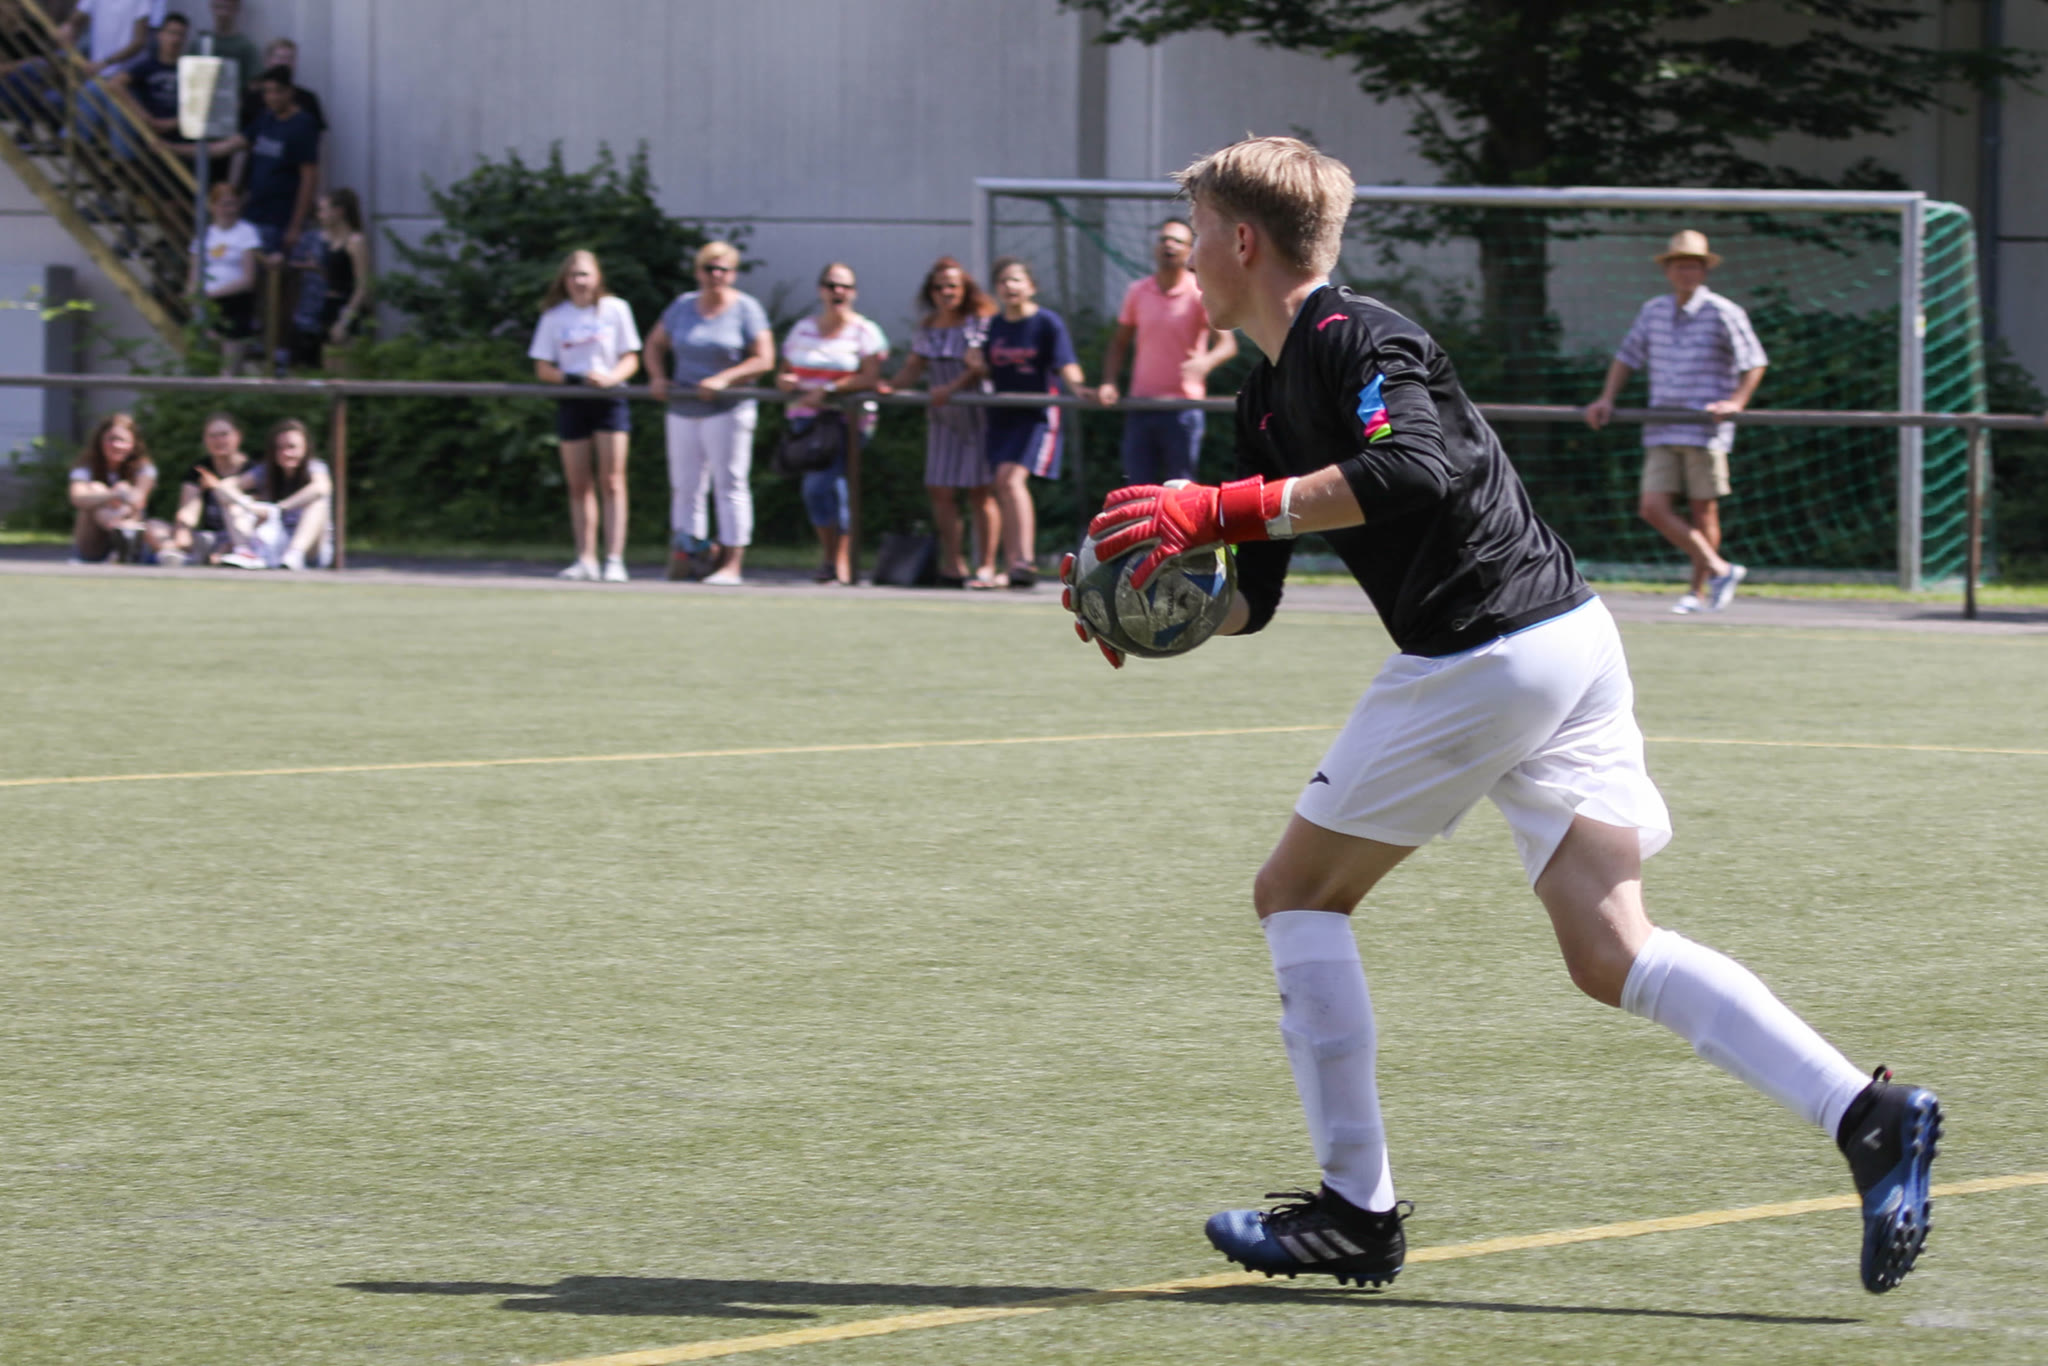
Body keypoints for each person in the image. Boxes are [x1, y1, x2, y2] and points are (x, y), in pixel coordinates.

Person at [1060, 136, 1940, 1298]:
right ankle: (1865, 1114)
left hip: (1490, 649)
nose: (1178, 253)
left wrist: (1211, 509)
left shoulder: (1358, 335)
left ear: (1239, 240)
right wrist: (1148, 607)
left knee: (1295, 893)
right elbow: (1254, 599)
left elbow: (1412, 467)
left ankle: (1354, 1213)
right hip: (1561, 643)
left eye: (1193, 229)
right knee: (1610, 949)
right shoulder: (1263, 394)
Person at [1585, 230, 1767, 614]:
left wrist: (1736, 402)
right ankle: (1721, 570)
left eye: (1694, 266)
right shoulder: (1653, 311)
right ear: (1668, 270)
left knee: (1704, 511)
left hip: (1705, 427)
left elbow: (1754, 361)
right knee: (1652, 507)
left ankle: (1697, 592)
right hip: (1661, 424)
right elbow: (1627, 356)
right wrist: (1606, 398)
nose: (1687, 272)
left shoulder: (1723, 311)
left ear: (1704, 271)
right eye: (1680, 265)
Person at [644, 240, 774, 583]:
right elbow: (654, 344)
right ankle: (690, 556)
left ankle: (731, 563)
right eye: (709, 268)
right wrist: (658, 376)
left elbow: (764, 358)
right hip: (683, 407)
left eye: (723, 269)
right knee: (685, 486)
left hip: (728, 408)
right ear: (698, 272)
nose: (715, 275)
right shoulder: (682, 306)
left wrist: (724, 379)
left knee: (729, 483)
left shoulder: (746, 309)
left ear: (733, 273)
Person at [968, 257, 1087, 589]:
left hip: (1036, 415)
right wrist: (976, 366)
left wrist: (1081, 389)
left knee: (1010, 480)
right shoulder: (993, 325)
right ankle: (1013, 567)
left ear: (1031, 286)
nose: (1010, 286)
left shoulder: (1047, 323)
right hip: (1001, 416)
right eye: (1004, 280)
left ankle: (1024, 561)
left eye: (1017, 279)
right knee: (1001, 483)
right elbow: (988, 369)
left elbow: (1065, 363)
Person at [1097, 217, 1237, 484]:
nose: (1169, 245)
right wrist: (1109, 381)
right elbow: (1119, 343)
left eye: (1177, 241)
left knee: (1180, 487)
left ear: (1189, 251)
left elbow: (1227, 344)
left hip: (1183, 407)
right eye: (1164, 239)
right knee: (1138, 488)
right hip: (1141, 404)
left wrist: (1205, 362)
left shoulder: (1199, 293)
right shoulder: (1137, 291)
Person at [529, 248, 641, 582]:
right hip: (573, 400)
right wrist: (573, 379)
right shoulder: (554, 316)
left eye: (585, 274)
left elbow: (630, 357)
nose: (580, 281)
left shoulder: (616, 309)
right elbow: (543, 367)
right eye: (573, 275)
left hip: (610, 399)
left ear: (598, 277)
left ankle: (615, 559)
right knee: (579, 483)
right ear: (564, 280)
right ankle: (585, 558)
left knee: (613, 480)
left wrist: (611, 378)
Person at [776, 262, 887, 587]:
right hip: (806, 422)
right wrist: (785, 381)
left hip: (845, 422)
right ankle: (833, 559)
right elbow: (785, 370)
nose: (838, 292)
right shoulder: (802, 329)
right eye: (831, 285)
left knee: (819, 486)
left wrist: (829, 389)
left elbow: (870, 376)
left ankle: (837, 560)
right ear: (820, 290)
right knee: (830, 490)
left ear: (854, 292)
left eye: (845, 286)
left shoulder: (865, 331)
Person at [890, 256, 996, 588]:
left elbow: (979, 367)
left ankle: (987, 565)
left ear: (964, 289)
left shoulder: (980, 322)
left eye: (952, 286)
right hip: (943, 419)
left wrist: (951, 388)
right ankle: (954, 563)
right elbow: (913, 367)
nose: (946, 292)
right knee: (941, 490)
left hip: (977, 415)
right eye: (939, 287)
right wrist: (890, 386)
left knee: (980, 493)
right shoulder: (928, 327)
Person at [209, 64, 318, 258]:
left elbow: (308, 178)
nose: (272, 97)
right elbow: (228, 146)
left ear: (290, 92)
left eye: (278, 91)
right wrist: (173, 148)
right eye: (267, 92)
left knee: (268, 267)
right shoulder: (265, 119)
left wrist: (295, 225)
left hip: (279, 218)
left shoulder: (303, 125)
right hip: (253, 212)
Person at [149, 410, 253, 566]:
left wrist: (217, 487)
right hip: (209, 537)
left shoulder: (253, 470)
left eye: (224, 434)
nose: (218, 440)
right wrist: (183, 531)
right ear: (205, 439)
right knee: (154, 526)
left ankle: (212, 556)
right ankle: (177, 554)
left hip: (244, 537)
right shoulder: (199, 469)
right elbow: (188, 509)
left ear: (238, 436)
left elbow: (256, 509)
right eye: (212, 436)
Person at [66, 411, 157, 563]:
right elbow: (77, 498)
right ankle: (114, 546)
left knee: (129, 497)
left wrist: (121, 502)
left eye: (123, 440)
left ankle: (121, 550)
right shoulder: (86, 466)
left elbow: (139, 499)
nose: (116, 445)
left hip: (129, 526)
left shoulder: (144, 468)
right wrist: (114, 494)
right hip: (92, 542)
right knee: (96, 489)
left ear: (133, 444)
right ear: (100, 441)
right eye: (111, 439)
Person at [192, 180, 259, 368]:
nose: (230, 210)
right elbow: (194, 274)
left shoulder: (246, 232)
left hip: (234, 302)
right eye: (225, 204)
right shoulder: (204, 235)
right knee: (206, 362)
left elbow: (248, 279)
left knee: (230, 365)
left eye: (233, 204)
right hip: (207, 305)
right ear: (213, 207)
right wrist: (195, 303)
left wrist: (213, 293)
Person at [316, 188, 369, 366]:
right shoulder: (328, 241)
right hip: (328, 306)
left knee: (346, 365)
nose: (319, 215)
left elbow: (362, 287)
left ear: (339, 212)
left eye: (323, 210)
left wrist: (345, 321)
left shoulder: (355, 242)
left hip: (346, 306)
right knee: (328, 364)